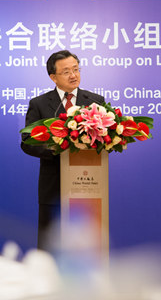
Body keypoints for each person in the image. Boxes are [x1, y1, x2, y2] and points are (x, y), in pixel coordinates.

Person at [21, 50, 104, 250]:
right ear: (53, 77)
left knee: (86, 247)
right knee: (49, 246)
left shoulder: (95, 101)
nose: (73, 75)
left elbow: (104, 137)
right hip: (53, 186)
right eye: (66, 71)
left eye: (76, 69)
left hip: (87, 186)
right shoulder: (39, 104)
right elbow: (27, 141)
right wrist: (58, 149)